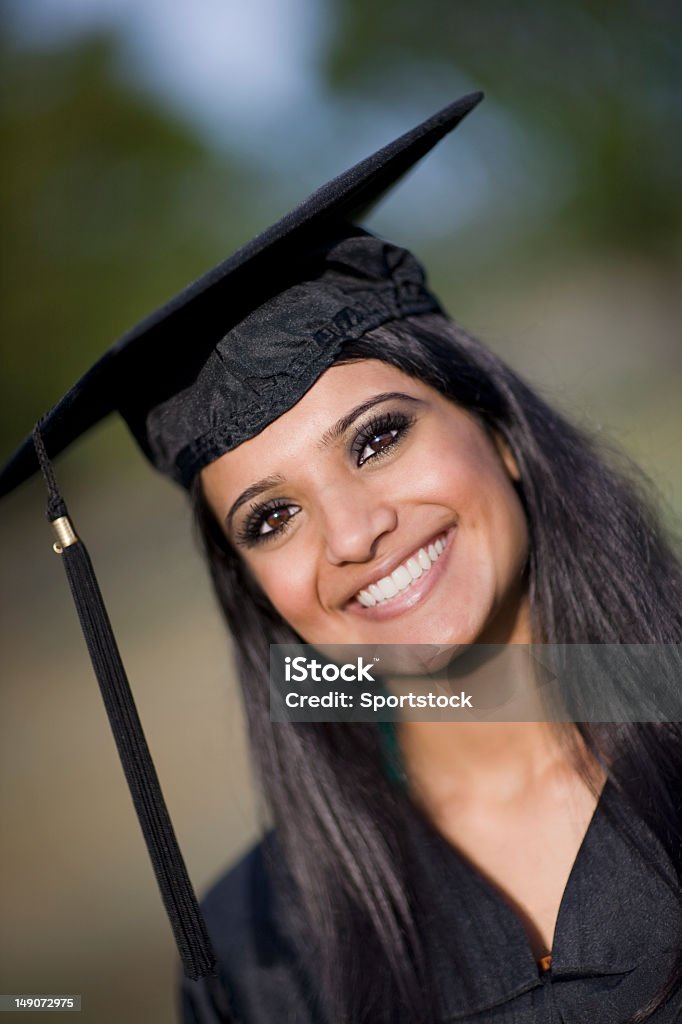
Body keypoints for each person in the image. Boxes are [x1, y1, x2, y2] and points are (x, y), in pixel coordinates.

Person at [1, 93, 680, 1023]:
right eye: (272, 518)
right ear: (254, 588)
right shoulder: (260, 952)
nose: (353, 535)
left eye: (377, 439)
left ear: (502, 431)